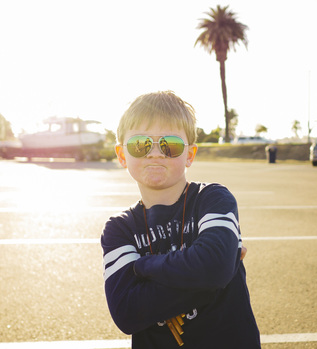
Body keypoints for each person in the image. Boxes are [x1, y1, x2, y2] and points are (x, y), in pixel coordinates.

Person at [101, 91, 260, 348]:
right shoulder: (119, 228)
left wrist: (144, 267)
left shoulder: (213, 199)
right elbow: (127, 312)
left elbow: (214, 268)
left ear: (189, 154)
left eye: (170, 145)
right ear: (122, 155)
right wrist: (210, 273)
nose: (155, 153)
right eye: (140, 144)